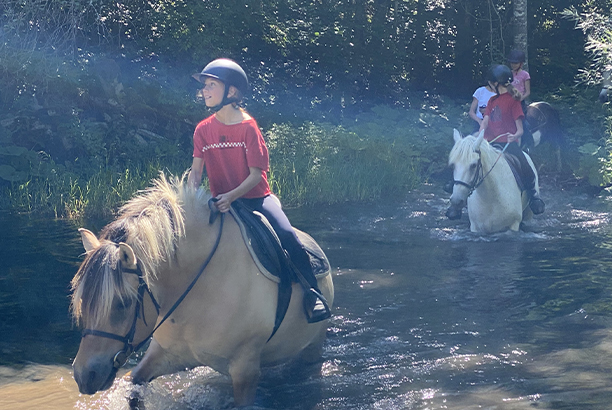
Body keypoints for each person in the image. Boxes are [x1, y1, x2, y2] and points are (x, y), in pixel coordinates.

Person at [187, 58, 331, 323]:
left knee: (288, 235)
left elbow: (257, 175)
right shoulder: (203, 130)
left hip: (255, 199)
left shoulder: (248, 127)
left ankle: (313, 295)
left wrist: (231, 196)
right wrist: (189, 202)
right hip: (219, 201)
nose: (204, 91)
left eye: (211, 85)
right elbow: (196, 173)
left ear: (231, 92)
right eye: (204, 86)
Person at [479, 64, 545, 215]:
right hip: (490, 143)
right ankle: (458, 195)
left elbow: (520, 129)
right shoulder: (491, 101)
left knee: (523, 162)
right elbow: (485, 122)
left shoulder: (513, 101)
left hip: (508, 143)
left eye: (490, 83)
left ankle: (533, 195)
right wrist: (478, 136)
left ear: (495, 83)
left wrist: (515, 136)